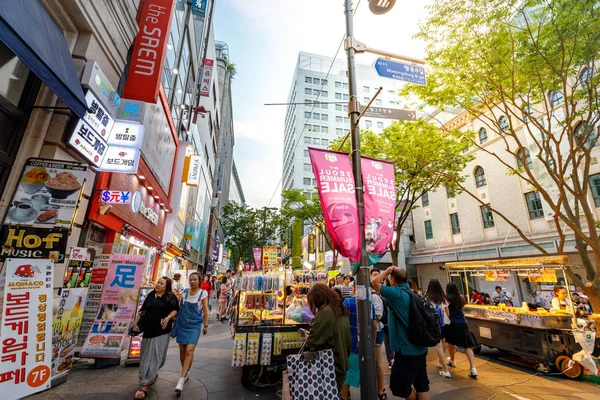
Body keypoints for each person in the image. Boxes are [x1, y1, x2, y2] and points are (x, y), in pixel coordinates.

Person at [372, 267, 430, 400]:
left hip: (406, 351)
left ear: (392, 280)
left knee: (398, 386)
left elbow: (374, 283)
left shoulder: (396, 294)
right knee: (421, 384)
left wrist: (386, 271)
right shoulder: (413, 294)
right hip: (420, 347)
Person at [130, 277, 179, 400]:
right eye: (158, 282)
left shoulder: (170, 297)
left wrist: (168, 318)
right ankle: (147, 380)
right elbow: (142, 311)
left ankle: (144, 387)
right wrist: (135, 324)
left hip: (162, 331)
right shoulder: (151, 295)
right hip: (148, 331)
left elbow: (175, 310)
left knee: (157, 357)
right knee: (145, 357)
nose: (158, 285)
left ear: (166, 286)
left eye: (161, 283)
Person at [306, 283, 351, 395]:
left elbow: (313, 340)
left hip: (330, 367)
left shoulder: (326, 312)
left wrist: (307, 336)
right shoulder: (340, 308)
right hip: (341, 362)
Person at [174, 272, 209, 393]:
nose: (192, 281)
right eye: (191, 279)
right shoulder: (184, 293)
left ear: (199, 281)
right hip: (183, 325)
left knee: (189, 350)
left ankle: (181, 379)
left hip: (194, 326)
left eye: (195, 279)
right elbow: (178, 307)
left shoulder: (203, 293)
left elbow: (205, 309)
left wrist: (205, 325)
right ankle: (186, 371)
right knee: (182, 350)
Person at [342, 284, 377, 400]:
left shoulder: (347, 302)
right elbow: (374, 325)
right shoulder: (369, 304)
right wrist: (373, 343)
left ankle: (344, 397)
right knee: (367, 374)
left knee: (347, 374)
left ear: (353, 290)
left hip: (350, 343)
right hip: (366, 344)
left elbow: (342, 323)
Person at [444, 282, 478, 378]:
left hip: (452, 324)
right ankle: (472, 368)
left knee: (451, 343)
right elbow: (462, 308)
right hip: (463, 323)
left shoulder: (447, 299)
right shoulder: (461, 298)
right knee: (467, 346)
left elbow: (448, 314)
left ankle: (452, 360)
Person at [426, 279, 451, 379]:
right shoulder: (442, 298)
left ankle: (445, 369)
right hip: (443, 323)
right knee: (443, 343)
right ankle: (441, 362)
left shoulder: (427, 298)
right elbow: (448, 313)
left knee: (438, 345)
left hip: (433, 324)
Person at [371, 269, 388, 399]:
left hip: (377, 330)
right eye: (374, 275)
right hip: (374, 330)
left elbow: (378, 315)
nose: (377, 277)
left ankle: (380, 390)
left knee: (377, 362)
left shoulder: (375, 295)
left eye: (378, 275)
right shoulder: (374, 293)